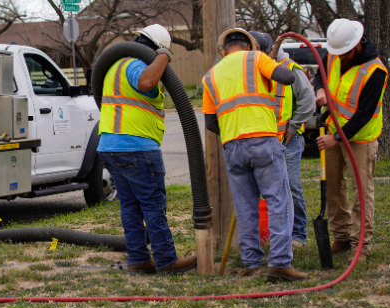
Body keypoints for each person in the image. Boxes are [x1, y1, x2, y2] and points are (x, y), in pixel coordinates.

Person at [203, 29, 308, 281]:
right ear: (249, 45)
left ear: (224, 50)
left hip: (232, 146)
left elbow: (210, 122)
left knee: (245, 206)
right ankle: (280, 263)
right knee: (279, 201)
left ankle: (252, 263)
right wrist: (267, 61)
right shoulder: (256, 58)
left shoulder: (211, 76)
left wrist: (233, 133)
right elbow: (286, 77)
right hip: (263, 141)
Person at [98, 24, 197, 275]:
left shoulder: (115, 65)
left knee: (130, 206)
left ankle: (139, 259)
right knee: (153, 204)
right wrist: (164, 55)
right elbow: (146, 81)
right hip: (136, 146)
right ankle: (166, 260)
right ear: (157, 46)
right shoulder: (135, 65)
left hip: (112, 146)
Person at [314, 19, 388, 263]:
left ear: (357, 43)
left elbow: (363, 114)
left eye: (345, 52)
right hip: (335, 130)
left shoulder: (375, 71)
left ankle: (361, 245)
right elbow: (319, 75)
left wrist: (336, 138)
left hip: (360, 139)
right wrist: (320, 91)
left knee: (361, 193)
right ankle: (342, 235)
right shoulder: (334, 54)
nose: (341, 57)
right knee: (334, 188)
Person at [249, 31, 316, 249]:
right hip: (261, 140)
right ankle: (269, 233)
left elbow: (308, 101)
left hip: (288, 141)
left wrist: (293, 127)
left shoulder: (290, 70)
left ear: (269, 51)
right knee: (263, 190)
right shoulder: (252, 70)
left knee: (291, 187)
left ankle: (298, 234)